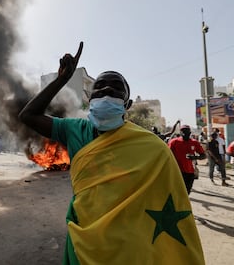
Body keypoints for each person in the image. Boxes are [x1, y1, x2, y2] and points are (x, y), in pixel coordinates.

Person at [18, 42, 204, 264]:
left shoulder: (151, 146)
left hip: (130, 245)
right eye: (100, 86)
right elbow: (28, 115)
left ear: (128, 103)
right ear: (89, 98)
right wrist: (61, 80)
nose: (106, 89)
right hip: (83, 237)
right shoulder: (74, 129)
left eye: (116, 87)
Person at [168, 125, 206, 195]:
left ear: (190, 132)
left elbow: (203, 155)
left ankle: (183, 205)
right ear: (180, 132)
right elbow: (168, 155)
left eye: (187, 130)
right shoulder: (174, 142)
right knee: (176, 192)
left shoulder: (195, 142)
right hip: (177, 171)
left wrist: (194, 157)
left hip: (190, 172)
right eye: (183, 130)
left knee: (186, 192)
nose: (185, 132)